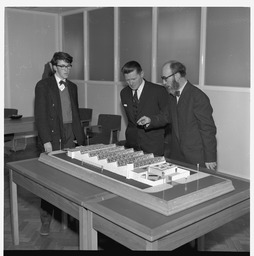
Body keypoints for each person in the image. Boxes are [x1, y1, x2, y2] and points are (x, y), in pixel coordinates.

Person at [34, 52, 85, 235]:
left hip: (71, 133)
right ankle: (46, 220)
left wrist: (81, 138)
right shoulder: (43, 86)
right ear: (54, 66)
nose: (66, 70)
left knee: (72, 178)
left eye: (69, 66)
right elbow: (40, 116)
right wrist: (46, 141)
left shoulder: (73, 86)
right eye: (63, 66)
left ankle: (72, 217)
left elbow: (76, 114)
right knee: (50, 181)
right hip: (54, 135)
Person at [137, 60, 217, 170]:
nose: (164, 82)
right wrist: (150, 120)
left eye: (166, 78)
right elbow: (166, 116)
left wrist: (210, 158)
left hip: (196, 157)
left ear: (177, 76)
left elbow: (207, 130)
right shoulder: (172, 96)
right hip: (176, 155)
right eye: (162, 78)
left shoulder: (198, 97)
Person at [120, 61, 168, 156]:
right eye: (127, 80)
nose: (131, 83)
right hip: (132, 144)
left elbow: (167, 116)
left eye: (134, 79)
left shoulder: (158, 91)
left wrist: (151, 120)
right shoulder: (124, 93)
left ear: (141, 74)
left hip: (153, 145)